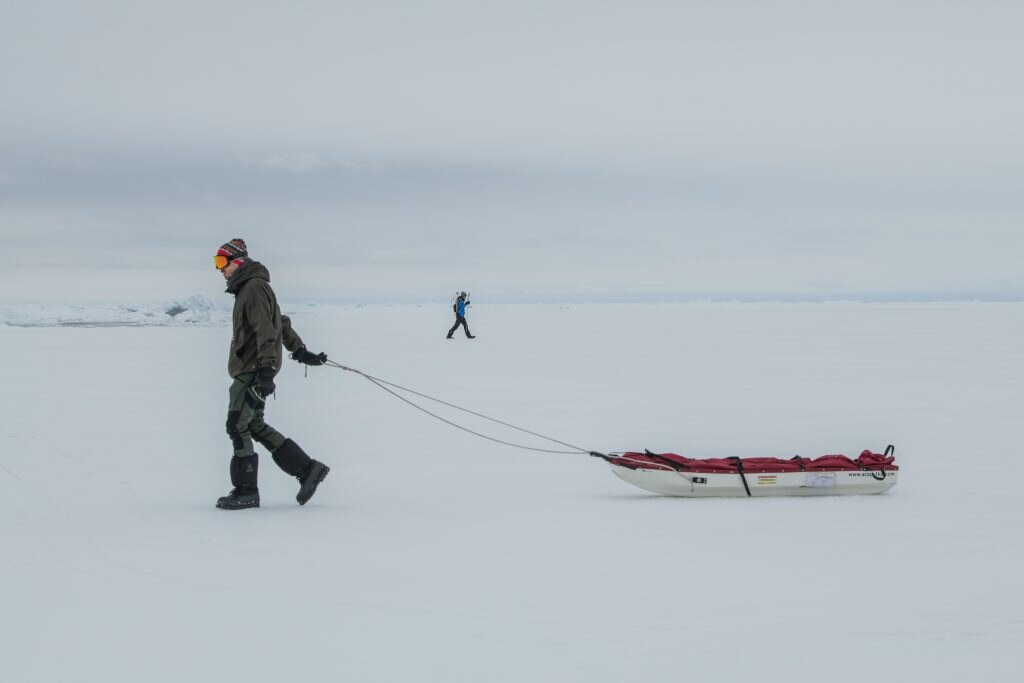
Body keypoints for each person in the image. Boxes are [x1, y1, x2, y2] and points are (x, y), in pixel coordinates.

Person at [213, 238, 331, 510]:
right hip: (254, 367)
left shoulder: (253, 287)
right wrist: (299, 350)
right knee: (253, 424)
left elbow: (266, 329)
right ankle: (307, 469)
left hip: (252, 369)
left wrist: (266, 369)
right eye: (217, 264)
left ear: (238, 261)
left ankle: (246, 490)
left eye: (222, 263)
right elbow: (280, 321)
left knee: (237, 425)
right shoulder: (251, 287)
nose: (220, 270)